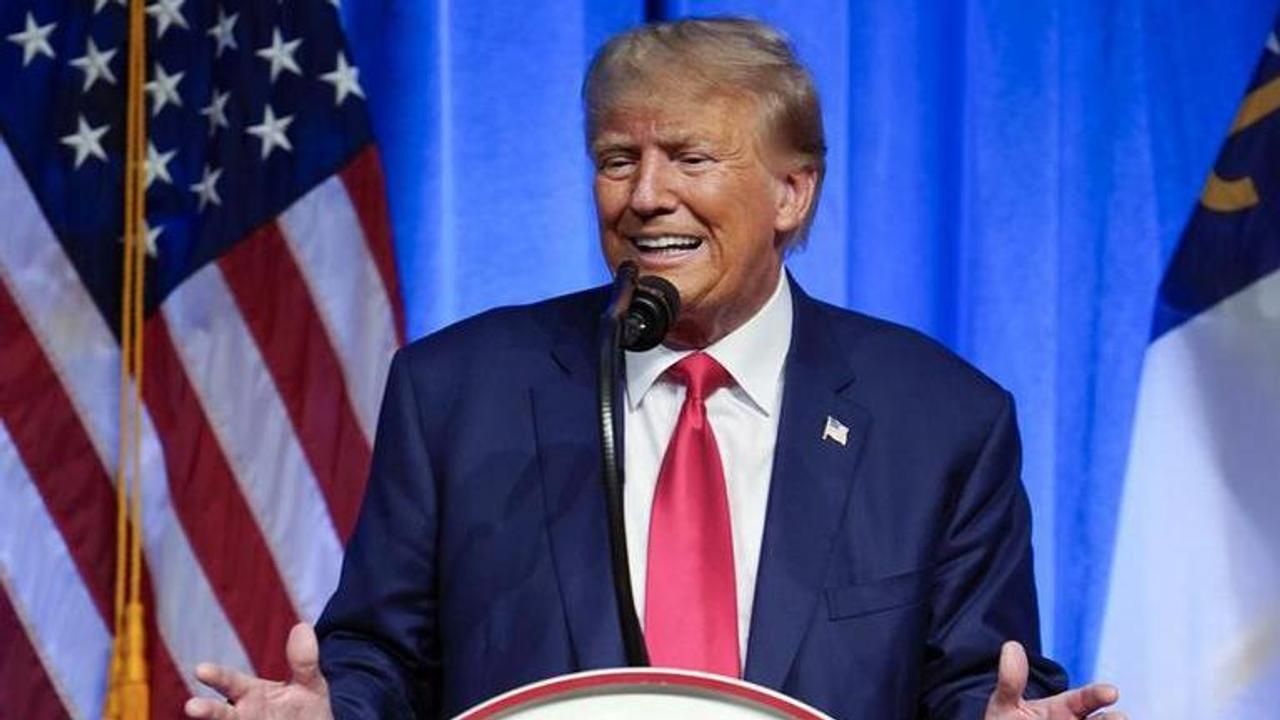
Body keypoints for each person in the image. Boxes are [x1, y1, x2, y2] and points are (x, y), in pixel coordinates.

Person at [185, 17, 1125, 720]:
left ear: (792, 191)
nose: (644, 195)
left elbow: (973, 680)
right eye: (616, 159)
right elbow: (383, 657)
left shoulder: (940, 419)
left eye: (689, 157)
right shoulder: (457, 391)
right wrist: (333, 711)